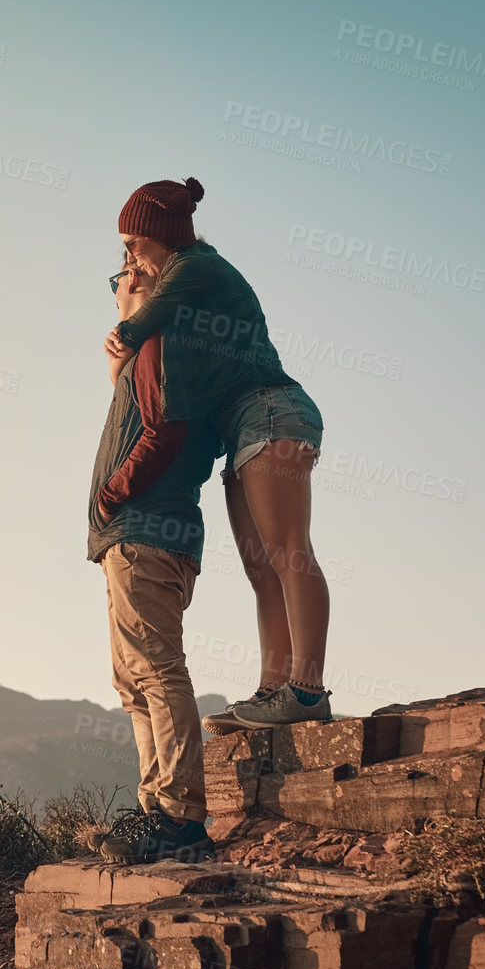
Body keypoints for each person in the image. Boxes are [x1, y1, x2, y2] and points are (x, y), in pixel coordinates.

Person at [104, 177, 332, 730]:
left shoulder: (195, 264)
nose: (129, 256)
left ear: (161, 235)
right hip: (243, 428)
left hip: (270, 410)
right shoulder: (185, 297)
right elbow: (136, 390)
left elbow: (145, 321)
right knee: (262, 568)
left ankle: (306, 692)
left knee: (289, 553)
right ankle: (274, 690)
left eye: (133, 243)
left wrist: (125, 319)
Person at [87, 261, 220, 864]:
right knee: (133, 681)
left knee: (157, 672)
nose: (113, 285)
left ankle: (182, 816)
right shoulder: (145, 351)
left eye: (118, 273)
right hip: (134, 536)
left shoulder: (160, 346)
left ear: (139, 281)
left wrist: (116, 491)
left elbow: (165, 429)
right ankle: (156, 812)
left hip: (145, 531)